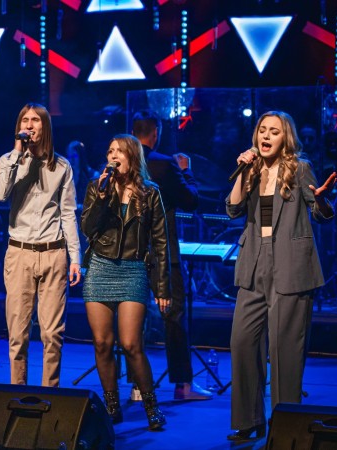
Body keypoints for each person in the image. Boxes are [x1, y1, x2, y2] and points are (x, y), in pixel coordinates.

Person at [226, 111, 337, 441]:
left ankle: (286, 425)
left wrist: (322, 200)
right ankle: (249, 420)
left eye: (274, 131)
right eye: (262, 130)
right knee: (242, 341)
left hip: (290, 262)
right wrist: (242, 171)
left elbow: (320, 213)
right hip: (253, 261)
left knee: (285, 349)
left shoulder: (299, 168)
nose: (266, 136)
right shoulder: (251, 169)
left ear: (285, 137)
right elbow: (232, 209)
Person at [81, 134, 171, 430]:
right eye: (110, 151)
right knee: (102, 343)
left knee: (132, 343)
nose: (113, 156)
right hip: (100, 267)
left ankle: (151, 407)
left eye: (119, 151)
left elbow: (161, 243)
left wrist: (162, 286)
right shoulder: (97, 187)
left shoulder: (150, 193)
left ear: (132, 156)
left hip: (133, 269)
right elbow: (88, 228)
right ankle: (112, 406)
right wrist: (102, 196)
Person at [0, 102, 82, 387]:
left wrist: (75, 257)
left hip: (53, 252)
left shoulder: (62, 166)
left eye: (35, 120)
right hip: (19, 252)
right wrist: (17, 155)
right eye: (24, 120)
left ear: (45, 126)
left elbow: (68, 213)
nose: (29, 125)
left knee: (52, 333)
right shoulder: (9, 161)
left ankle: (50, 393)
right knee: (18, 334)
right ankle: (16, 392)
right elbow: (0, 195)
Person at [131, 110, 213, 401]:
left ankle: (137, 386)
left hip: (130, 254)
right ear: (156, 133)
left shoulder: (123, 163)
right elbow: (191, 201)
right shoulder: (165, 164)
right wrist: (186, 170)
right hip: (164, 253)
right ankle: (183, 386)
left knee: (133, 319)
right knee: (174, 317)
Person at [65, 140, 100, 208]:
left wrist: (79, 206)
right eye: (69, 156)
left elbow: (96, 202)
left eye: (74, 156)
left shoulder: (93, 175)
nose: (71, 159)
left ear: (81, 156)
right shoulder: (67, 176)